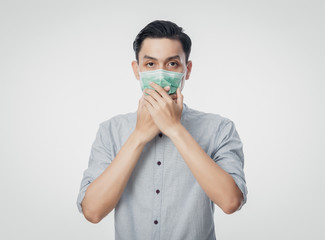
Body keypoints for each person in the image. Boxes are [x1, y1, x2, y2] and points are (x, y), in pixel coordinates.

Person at [76, 20, 248, 240]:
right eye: (150, 64)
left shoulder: (220, 129)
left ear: (187, 70)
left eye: (172, 64)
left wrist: (175, 129)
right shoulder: (111, 130)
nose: (160, 73)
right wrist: (138, 136)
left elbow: (231, 202)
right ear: (136, 70)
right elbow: (92, 211)